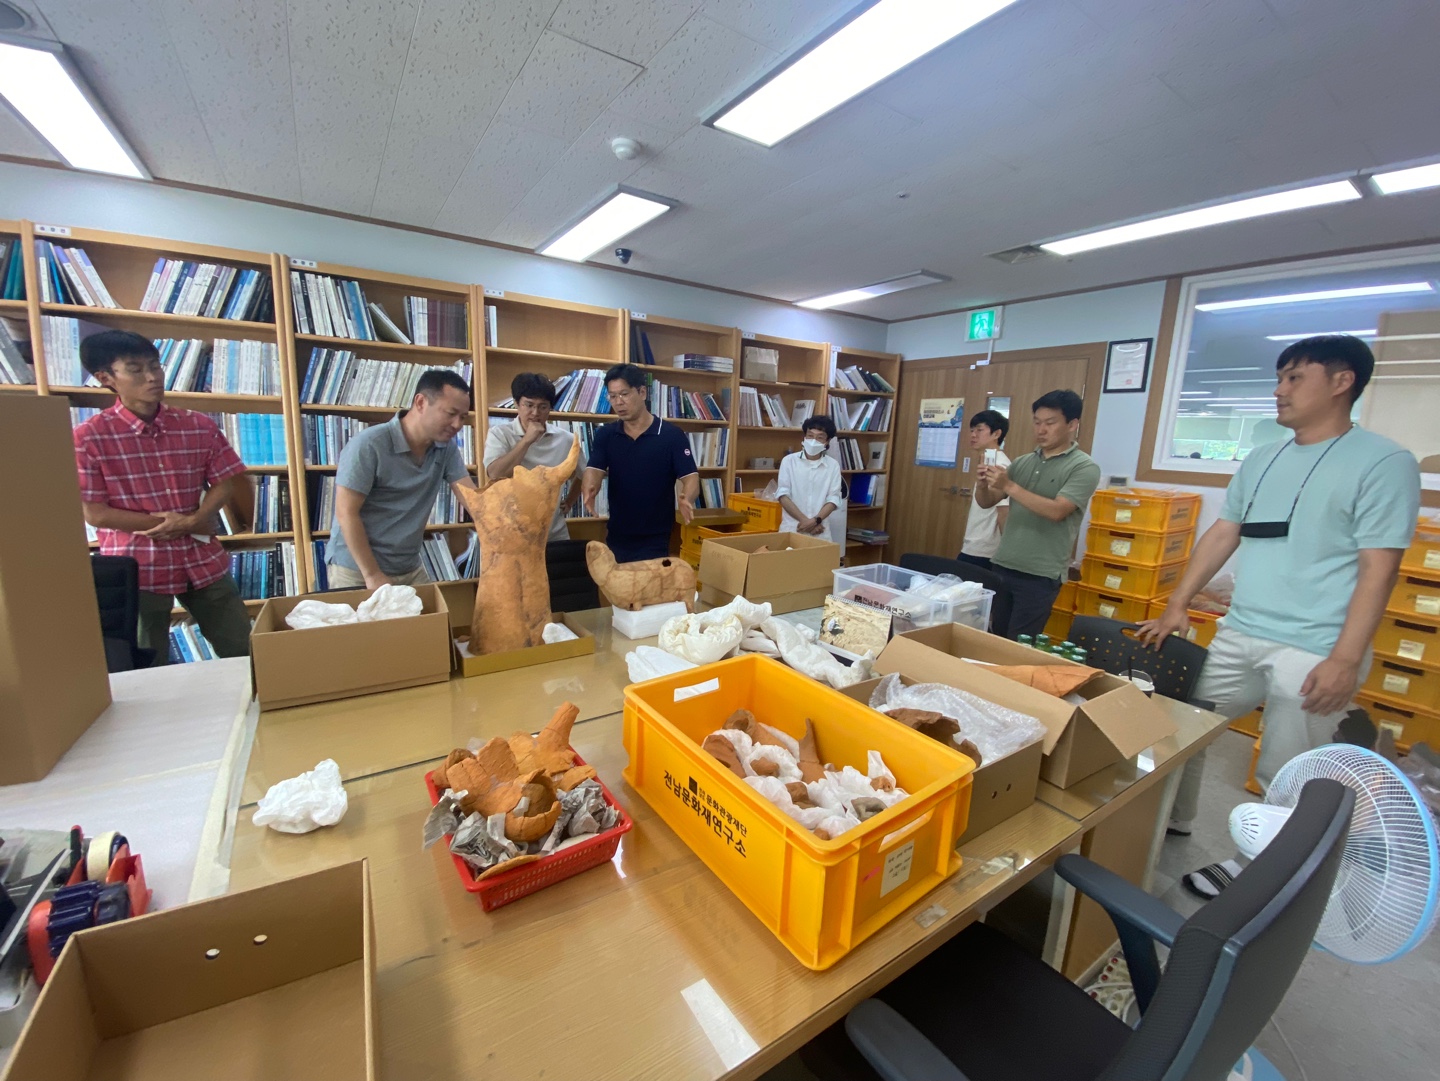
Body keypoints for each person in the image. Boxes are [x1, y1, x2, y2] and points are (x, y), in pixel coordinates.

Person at [1138, 335, 1418, 897]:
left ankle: (1258, 869)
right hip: (1241, 630)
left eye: (1294, 378)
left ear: (1341, 382)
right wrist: (1177, 602)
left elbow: (1379, 568)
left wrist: (1345, 659)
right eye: (1279, 377)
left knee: (1288, 767)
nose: (1278, 390)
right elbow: (1224, 532)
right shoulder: (1263, 458)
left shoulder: (1384, 463)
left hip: (1316, 646)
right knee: (1184, 725)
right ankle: (1173, 819)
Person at [73, 329, 253, 664]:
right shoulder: (88, 438)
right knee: (145, 664)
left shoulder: (197, 425)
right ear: (105, 378)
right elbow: (95, 513)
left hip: (201, 557)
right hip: (138, 566)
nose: (152, 377)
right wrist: (171, 524)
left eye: (155, 366)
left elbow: (224, 482)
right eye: (136, 369)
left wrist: (196, 519)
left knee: (244, 649)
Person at [327, 368, 479, 589]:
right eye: (450, 413)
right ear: (420, 403)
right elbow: (345, 512)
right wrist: (372, 574)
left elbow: (472, 498)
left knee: (432, 612)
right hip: (358, 568)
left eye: (463, 417)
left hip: (408, 566)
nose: (457, 424)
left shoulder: (446, 448)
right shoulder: (369, 445)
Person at [975, 389, 1100, 639]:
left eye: (1050, 423)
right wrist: (982, 485)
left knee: (1019, 644)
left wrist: (1009, 486)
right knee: (994, 637)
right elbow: (986, 502)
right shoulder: (1023, 462)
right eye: (1037, 422)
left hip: (1040, 574)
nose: (1041, 430)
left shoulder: (1084, 467)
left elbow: (1057, 511)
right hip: (1003, 564)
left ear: (1072, 424)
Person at [580, 363, 699, 562]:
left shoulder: (671, 435)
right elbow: (594, 469)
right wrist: (589, 489)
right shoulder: (606, 435)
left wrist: (687, 498)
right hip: (618, 533)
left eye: (624, 394)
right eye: (612, 396)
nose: (618, 402)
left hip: (656, 536)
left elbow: (691, 476)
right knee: (618, 582)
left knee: (651, 582)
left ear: (642, 392)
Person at [483, 372, 579, 543]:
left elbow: (584, 474)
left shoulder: (567, 439)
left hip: (554, 534)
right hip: (512, 534)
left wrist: (570, 501)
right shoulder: (500, 434)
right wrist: (526, 441)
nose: (535, 413)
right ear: (516, 404)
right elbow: (495, 474)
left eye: (543, 407)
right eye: (529, 405)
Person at [777, 416, 845, 545]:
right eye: (810, 436)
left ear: (827, 441)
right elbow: (783, 495)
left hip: (820, 531)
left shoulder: (833, 465)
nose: (813, 441)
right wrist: (806, 522)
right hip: (793, 528)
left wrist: (816, 521)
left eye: (820, 437)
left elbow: (834, 499)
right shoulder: (789, 461)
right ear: (804, 437)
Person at [959, 409, 1011, 570]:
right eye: (972, 430)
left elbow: (1004, 512)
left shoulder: (1000, 466)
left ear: (997, 434)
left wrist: (1006, 553)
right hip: (975, 545)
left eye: (979, 430)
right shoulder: (988, 461)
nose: (973, 435)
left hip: (985, 550)